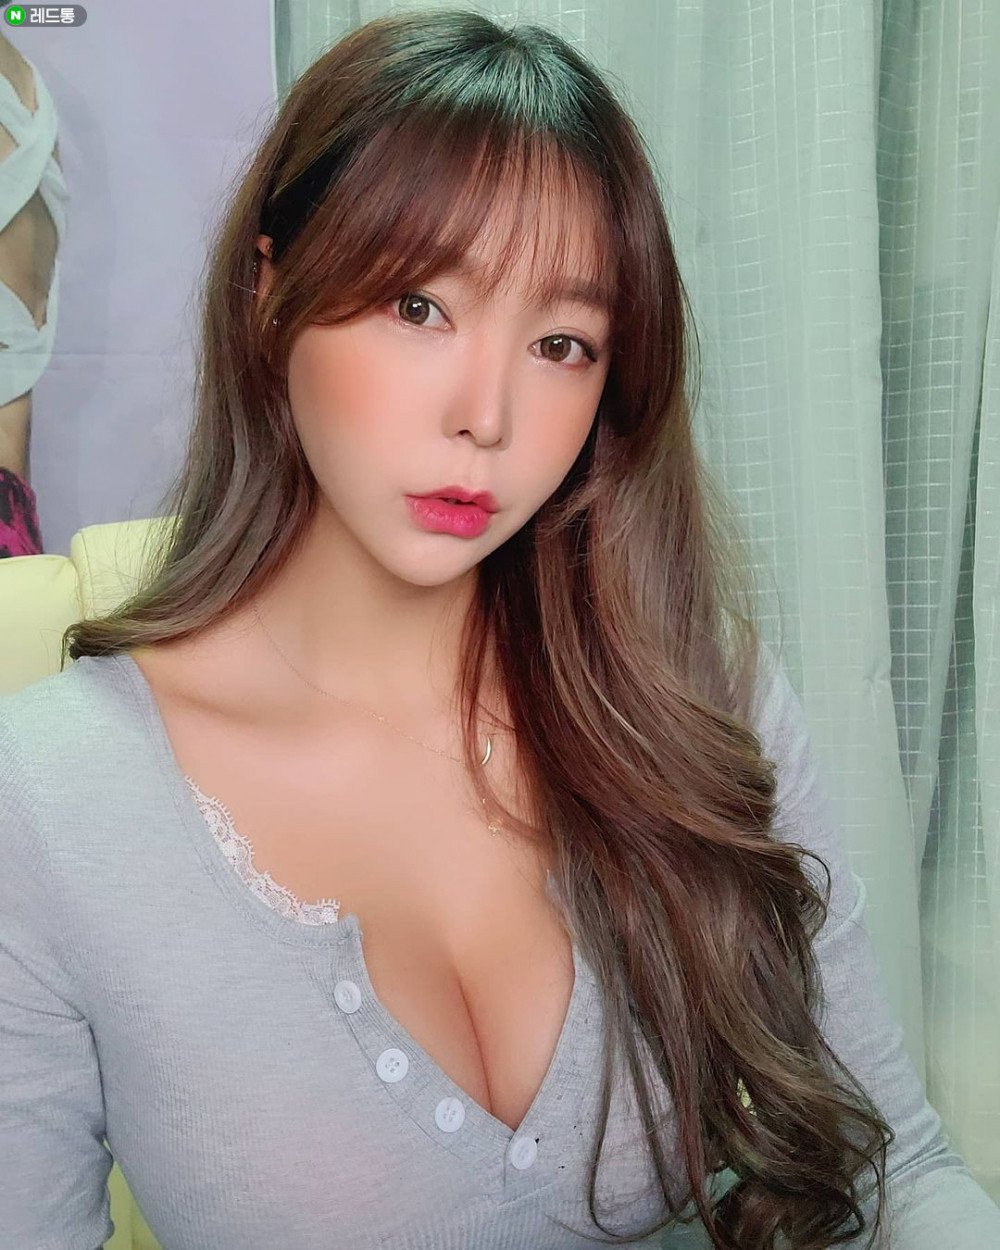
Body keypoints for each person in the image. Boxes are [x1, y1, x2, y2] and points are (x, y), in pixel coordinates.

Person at [1, 9, 998, 1249]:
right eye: (419, 305)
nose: (489, 414)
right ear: (269, 291)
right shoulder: (50, 799)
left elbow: (898, 1165)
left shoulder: (691, 694)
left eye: (561, 343)